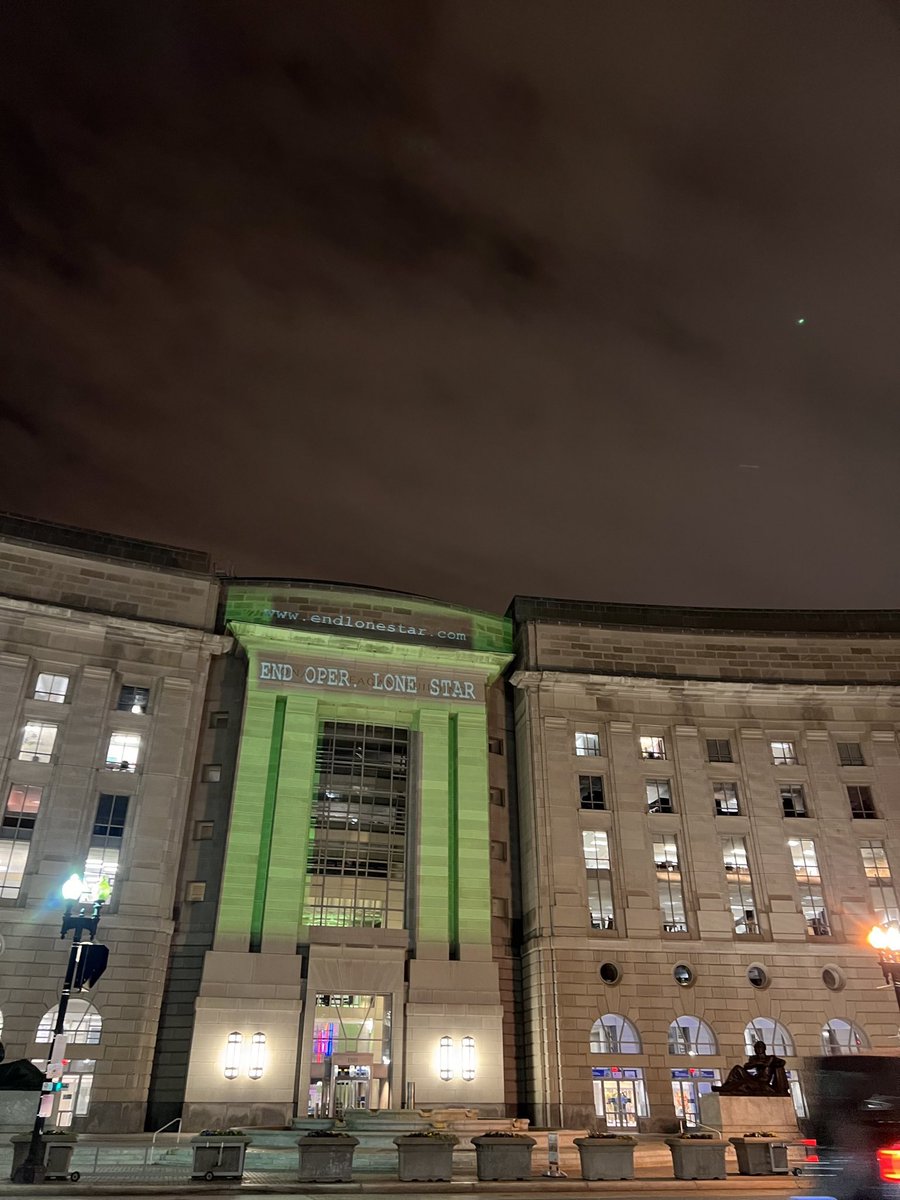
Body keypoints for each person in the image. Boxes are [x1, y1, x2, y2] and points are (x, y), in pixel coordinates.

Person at [715, 1040, 789, 1096]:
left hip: (763, 1082)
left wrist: (771, 1063)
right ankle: (726, 1086)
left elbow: (782, 1062)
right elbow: (747, 1066)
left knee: (743, 1084)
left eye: (760, 1047)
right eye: (756, 1048)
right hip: (755, 1079)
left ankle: (727, 1089)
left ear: (764, 1048)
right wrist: (759, 1063)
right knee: (737, 1068)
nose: (758, 1049)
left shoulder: (771, 1057)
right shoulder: (754, 1058)